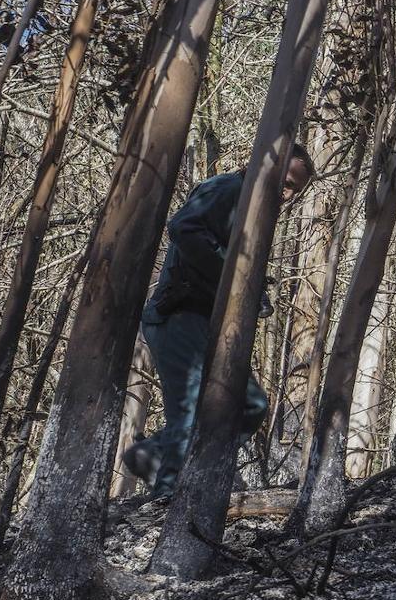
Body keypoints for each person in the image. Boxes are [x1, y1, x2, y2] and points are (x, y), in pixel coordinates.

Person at [122, 145, 315, 497]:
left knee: (250, 405)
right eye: (285, 183)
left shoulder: (255, 210)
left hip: (208, 324)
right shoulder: (228, 189)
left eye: (294, 191)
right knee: (193, 408)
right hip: (178, 316)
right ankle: (169, 494)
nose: (286, 196)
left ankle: (150, 455)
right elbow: (183, 228)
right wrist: (237, 271)